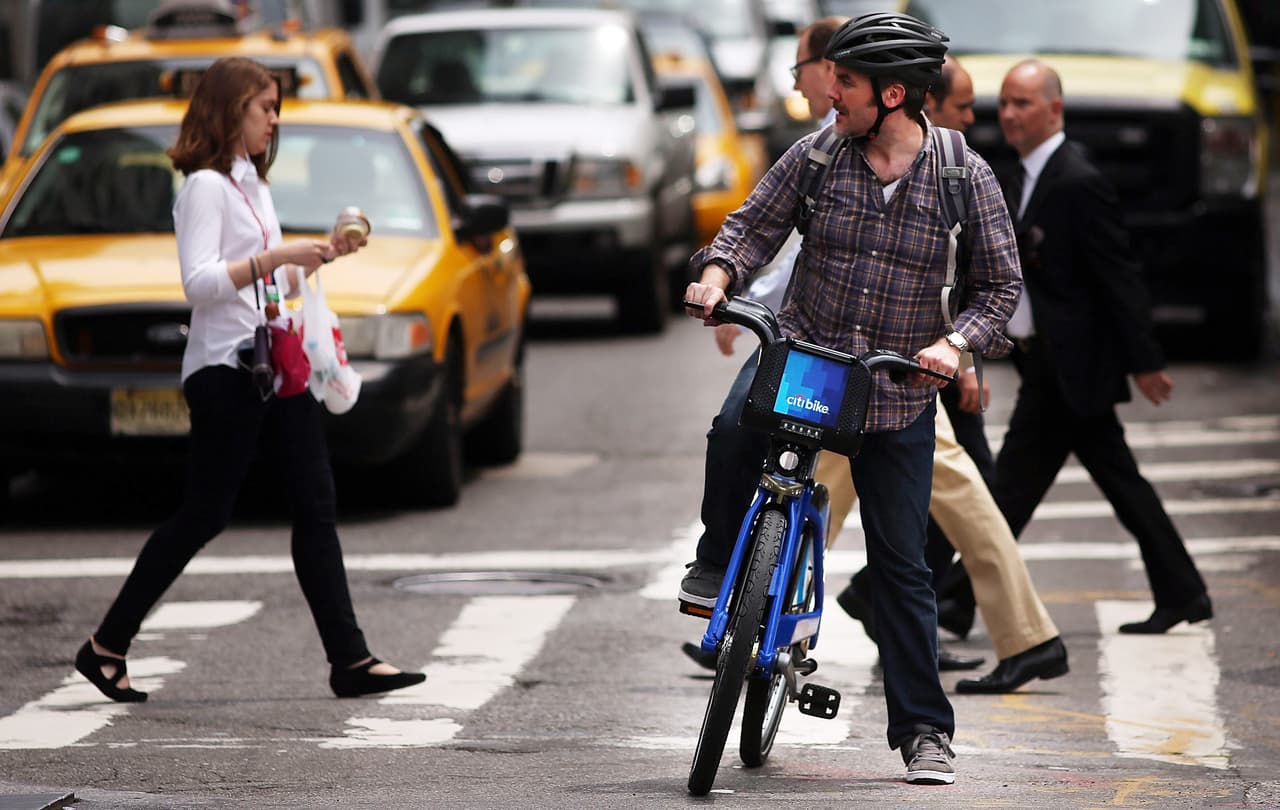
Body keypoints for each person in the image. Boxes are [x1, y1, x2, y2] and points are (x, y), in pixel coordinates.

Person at [681, 13, 1022, 785]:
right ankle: (713, 562)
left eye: (847, 84)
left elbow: (999, 287)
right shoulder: (817, 155)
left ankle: (926, 732)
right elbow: (749, 230)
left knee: (902, 566)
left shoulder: (964, 177)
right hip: (804, 357)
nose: (828, 94)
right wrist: (717, 277)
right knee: (730, 432)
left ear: (893, 95)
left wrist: (955, 343)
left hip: (897, 389)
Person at [73, 57, 425, 703]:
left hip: (275, 364)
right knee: (205, 513)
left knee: (315, 508)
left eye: (276, 107)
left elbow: (270, 282)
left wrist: (314, 258)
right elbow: (200, 283)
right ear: (231, 109)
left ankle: (351, 660)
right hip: (227, 371)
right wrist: (278, 254)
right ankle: (106, 646)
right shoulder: (204, 188)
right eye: (265, 106)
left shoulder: (250, 185)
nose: (275, 119)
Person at [942, 58, 1211, 636]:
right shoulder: (1027, 175)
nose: (1009, 115)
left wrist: (1145, 362)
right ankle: (1183, 590)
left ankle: (952, 597)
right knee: (1048, 487)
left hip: (1073, 366)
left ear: (1054, 110)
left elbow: (1118, 275)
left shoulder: (1077, 179)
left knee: (1016, 489)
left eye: (1023, 104)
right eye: (1006, 103)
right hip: (1049, 364)